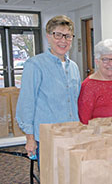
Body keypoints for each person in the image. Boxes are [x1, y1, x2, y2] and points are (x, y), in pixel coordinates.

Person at [16, 15, 81, 166]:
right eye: (58, 35)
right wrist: (30, 138)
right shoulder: (35, 65)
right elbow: (26, 103)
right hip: (48, 138)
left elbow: (74, 102)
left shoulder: (74, 67)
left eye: (67, 36)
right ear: (48, 37)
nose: (63, 40)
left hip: (72, 135)